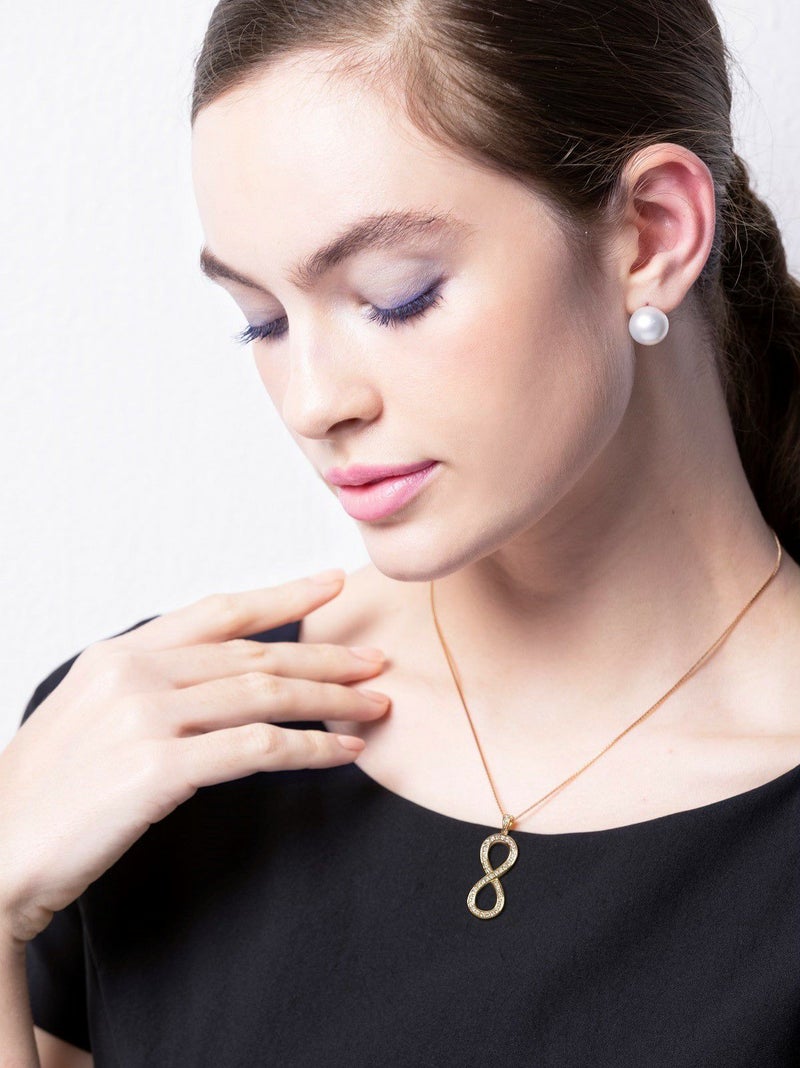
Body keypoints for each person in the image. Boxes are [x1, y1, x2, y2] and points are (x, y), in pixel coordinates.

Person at [2, 0, 799, 1064]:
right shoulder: (146, 746)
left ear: (652, 234)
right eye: (261, 321)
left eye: (396, 297)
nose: (312, 401)